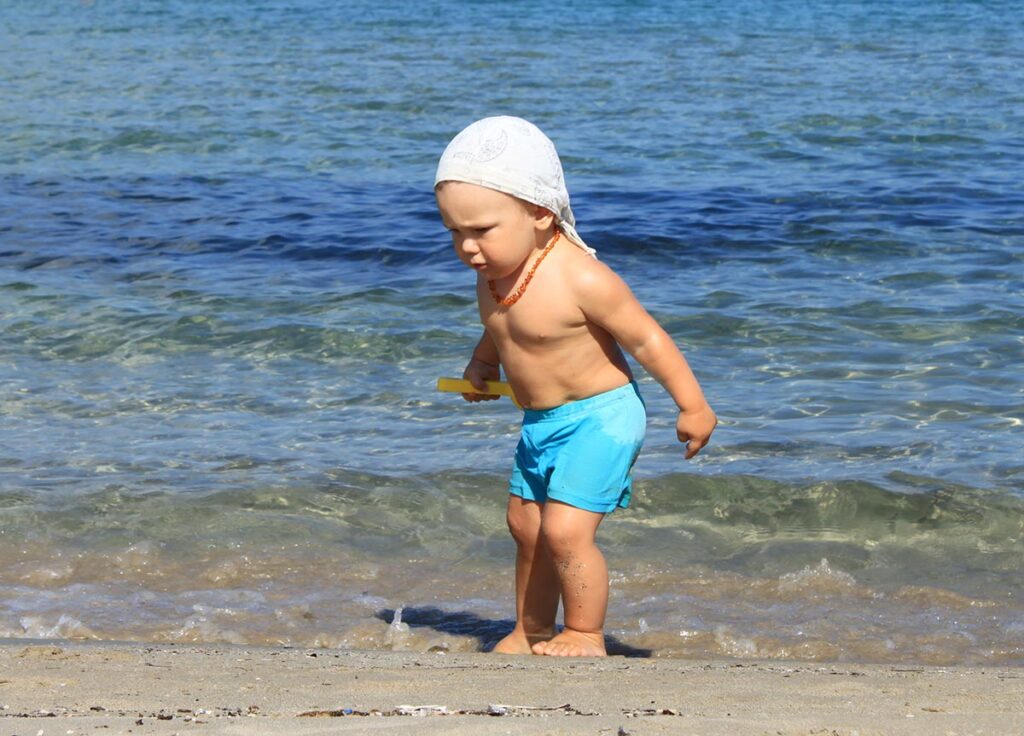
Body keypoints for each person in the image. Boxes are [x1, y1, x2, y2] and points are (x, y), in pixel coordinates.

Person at [434, 116, 716, 657]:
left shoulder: (581, 277)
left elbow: (649, 342)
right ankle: (533, 628)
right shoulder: (492, 275)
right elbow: (504, 326)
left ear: (540, 214)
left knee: (564, 531)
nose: (468, 247)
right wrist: (481, 363)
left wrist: (693, 404)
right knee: (526, 526)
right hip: (542, 422)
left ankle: (585, 633)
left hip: (601, 416)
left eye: (481, 230)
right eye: (454, 232)